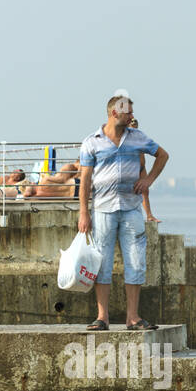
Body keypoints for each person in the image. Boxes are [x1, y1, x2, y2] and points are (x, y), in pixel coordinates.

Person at [78, 93, 169, 332]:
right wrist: (83, 213)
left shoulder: (138, 138)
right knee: (102, 263)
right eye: (128, 111)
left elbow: (162, 155)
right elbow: (85, 180)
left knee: (136, 262)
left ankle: (133, 317)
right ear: (114, 113)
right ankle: (102, 317)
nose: (132, 115)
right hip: (102, 209)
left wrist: (148, 179)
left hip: (131, 208)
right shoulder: (91, 142)